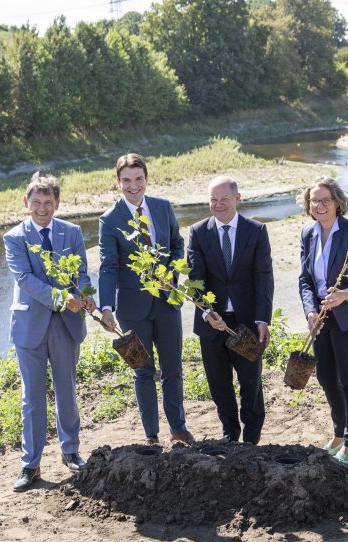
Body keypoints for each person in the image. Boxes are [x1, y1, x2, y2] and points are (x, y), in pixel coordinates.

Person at [4, 173, 95, 492]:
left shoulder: (72, 232)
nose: (42, 208)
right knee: (32, 397)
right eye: (36, 202)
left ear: (57, 203)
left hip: (66, 324)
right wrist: (62, 298)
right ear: (25, 202)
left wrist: (86, 294)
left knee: (67, 389)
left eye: (48, 202)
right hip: (30, 325)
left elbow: (82, 271)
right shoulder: (14, 237)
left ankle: (71, 451)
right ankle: (30, 464)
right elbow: (24, 280)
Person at [98, 153, 194, 446]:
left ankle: (178, 428)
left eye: (138, 179)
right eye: (126, 180)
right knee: (142, 371)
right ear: (118, 183)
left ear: (146, 179)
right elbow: (108, 266)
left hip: (167, 301)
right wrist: (106, 307)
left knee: (173, 368)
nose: (133, 185)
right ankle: (151, 435)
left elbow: (178, 245)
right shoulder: (110, 220)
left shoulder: (163, 208)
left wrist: (172, 273)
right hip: (132, 308)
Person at [297, 176, 348, 468]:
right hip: (321, 320)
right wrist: (310, 312)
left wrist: (346, 294)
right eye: (314, 201)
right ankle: (339, 435)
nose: (319, 205)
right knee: (327, 378)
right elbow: (305, 279)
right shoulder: (308, 234)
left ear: (338, 203)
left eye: (325, 200)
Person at [187, 175, 274, 444]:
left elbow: (264, 276)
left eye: (224, 199)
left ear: (237, 198)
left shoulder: (256, 231)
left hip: (246, 321)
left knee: (250, 381)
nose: (218, 204)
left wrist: (262, 319)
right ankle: (229, 433)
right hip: (211, 323)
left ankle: (251, 435)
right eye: (213, 200)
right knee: (219, 383)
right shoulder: (198, 232)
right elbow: (194, 279)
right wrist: (206, 311)